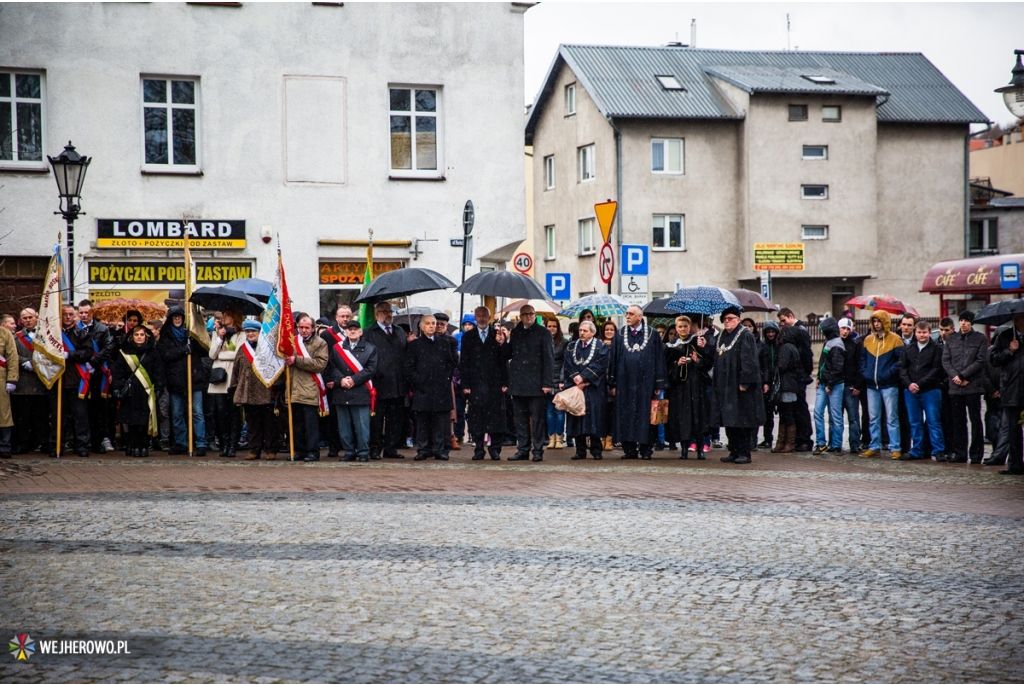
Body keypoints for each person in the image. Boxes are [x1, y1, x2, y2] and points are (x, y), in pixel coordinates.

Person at [608, 305, 667, 460]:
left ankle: (646, 449)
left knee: (646, 415)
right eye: (626, 314)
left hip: (646, 382)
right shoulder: (620, 335)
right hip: (624, 382)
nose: (627, 316)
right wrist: (612, 383)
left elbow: (659, 359)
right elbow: (613, 360)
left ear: (640, 316)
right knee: (625, 415)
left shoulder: (652, 334)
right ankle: (629, 449)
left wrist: (659, 383)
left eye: (631, 314)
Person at [502, 305, 555, 462]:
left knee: (537, 419)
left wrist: (547, 382)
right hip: (518, 383)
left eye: (531, 314)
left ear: (535, 315)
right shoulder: (516, 332)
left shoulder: (543, 333)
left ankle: (537, 450)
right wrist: (503, 342)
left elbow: (549, 359)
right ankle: (523, 449)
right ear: (521, 316)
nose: (528, 317)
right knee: (520, 419)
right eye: (525, 314)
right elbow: (508, 354)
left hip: (537, 383)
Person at [714, 306, 766, 464]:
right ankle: (734, 450)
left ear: (738, 319)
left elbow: (749, 360)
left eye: (730, 319)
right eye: (725, 319)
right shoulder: (722, 335)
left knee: (742, 420)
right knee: (730, 420)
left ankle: (744, 452)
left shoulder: (745, 335)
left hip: (740, 387)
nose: (727, 322)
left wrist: (745, 382)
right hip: (726, 386)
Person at [157, 306, 209, 456]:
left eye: (179, 316)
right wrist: (183, 349)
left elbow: (205, 350)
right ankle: (181, 442)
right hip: (176, 381)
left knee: (197, 412)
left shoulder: (191, 334)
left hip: (194, 378)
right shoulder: (165, 336)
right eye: (174, 317)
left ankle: (200, 443)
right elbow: (165, 355)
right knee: (177, 413)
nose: (177, 319)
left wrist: (193, 340)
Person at [404, 314, 457, 461]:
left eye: (433, 323)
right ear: (421, 326)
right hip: (422, 389)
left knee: (440, 422)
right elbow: (409, 367)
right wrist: (419, 381)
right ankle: (423, 449)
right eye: (428, 323)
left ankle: (439, 449)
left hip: (440, 389)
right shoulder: (415, 345)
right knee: (423, 422)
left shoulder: (443, 343)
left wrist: (445, 380)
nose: (432, 326)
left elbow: (450, 363)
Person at [459, 306, 508, 460]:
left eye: (484, 315)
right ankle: (479, 448)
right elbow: (464, 362)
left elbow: (504, 359)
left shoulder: (497, 334)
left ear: (489, 317)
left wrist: (502, 343)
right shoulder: (469, 336)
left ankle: (495, 449)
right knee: (476, 417)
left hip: (494, 382)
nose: (481, 318)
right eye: (478, 315)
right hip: (475, 382)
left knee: (496, 417)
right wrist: (465, 383)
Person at [326, 320, 378, 462]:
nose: (352, 331)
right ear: (346, 332)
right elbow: (332, 367)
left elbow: (370, 369)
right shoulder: (337, 348)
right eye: (350, 329)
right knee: (344, 426)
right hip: (342, 392)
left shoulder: (370, 348)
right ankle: (348, 451)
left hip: (360, 391)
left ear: (361, 332)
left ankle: (363, 452)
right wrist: (341, 379)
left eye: (355, 329)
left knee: (362, 426)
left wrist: (353, 380)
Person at [361, 301, 407, 459]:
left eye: (390, 312)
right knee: (377, 419)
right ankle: (375, 448)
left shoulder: (399, 331)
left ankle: (391, 448)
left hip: (398, 382)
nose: (388, 314)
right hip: (378, 383)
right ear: (376, 314)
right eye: (385, 311)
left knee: (396, 419)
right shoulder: (368, 333)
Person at [942, 310, 989, 464]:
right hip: (955, 387)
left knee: (975, 420)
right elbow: (946, 360)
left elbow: (980, 361)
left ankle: (976, 454)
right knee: (958, 421)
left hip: (972, 386)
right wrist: (955, 377)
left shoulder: (980, 339)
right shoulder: (951, 339)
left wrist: (964, 376)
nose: (963, 323)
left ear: (971, 322)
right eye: (961, 320)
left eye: (966, 321)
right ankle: (959, 452)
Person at [46, 305, 93, 457]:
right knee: (58, 416)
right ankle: (56, 445)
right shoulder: (53, 334)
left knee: (80, 416)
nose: (67, 317)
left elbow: (87, 352)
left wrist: (69, 355)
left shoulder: (81, 333)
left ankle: (82, 446)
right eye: (64, 314)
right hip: (58, 380)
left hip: (76, 380)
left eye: (70, 314)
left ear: (75, 316)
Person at [664, 315, 713, 460]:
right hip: (680, 387)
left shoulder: (697, 341)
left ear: (689, 326)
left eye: (685, 326)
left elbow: (709, 362)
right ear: (676, 328)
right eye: (680, 327)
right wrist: (677, 364)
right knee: (683, 417)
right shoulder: (671, 345)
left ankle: (700, 448)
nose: (683, 329)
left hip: (696, 385)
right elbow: (665, 366)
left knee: (698, 416)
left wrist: (699, 359)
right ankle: (684, 448)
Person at [110, 325, 163, 458]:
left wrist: (159, 388)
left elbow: (159, 372)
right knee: (132, 421)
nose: (139, 337)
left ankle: (144, 446)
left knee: (145, 421)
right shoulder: (125, 352)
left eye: (142, 334)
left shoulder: (153, 352)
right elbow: (118, 372)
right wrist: (117, 387)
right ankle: (134, 445)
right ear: (131, 337)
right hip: (131, 391)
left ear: (146, 336)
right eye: (136, 335)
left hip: (146, 391)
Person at [231, 320, 280, 460]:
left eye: (253, 331)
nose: (250, 334)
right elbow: (236, 369)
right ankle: (254, 449)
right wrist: (234, 386)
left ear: (259, 332)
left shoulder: (268, 348)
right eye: (248, 331)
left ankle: (271, 449)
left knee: (269, 424)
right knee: (253, 423)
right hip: (248, 391)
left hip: (266, 390)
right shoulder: (242, 348)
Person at [859, 312, 905, 458]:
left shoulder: (896, 339)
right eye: (874, 321)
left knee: (892, 418)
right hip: (872, 385)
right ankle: (875, 445)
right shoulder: (868, 340)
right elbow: (863, 360)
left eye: (879, 321)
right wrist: (866, 373)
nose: (877, 324)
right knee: (873, 418)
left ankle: (895, 447)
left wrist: (888, 373)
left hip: (889, 384)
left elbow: (900, 361)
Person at [563, 320, 610, 460]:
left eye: (585, 331)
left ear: (593, 332)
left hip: (594, 388)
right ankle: (580, 450)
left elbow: (601, 365)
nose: (581, 333)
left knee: (594, 418)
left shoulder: (600, 346)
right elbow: (568, 364)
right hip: (576, 387)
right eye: (580, 330)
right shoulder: (571, 346)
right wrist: (575, 378)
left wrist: (585, 379)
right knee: (577, 417)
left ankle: (596, 450)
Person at [899, 320, 946, 461]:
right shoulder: (908, 349)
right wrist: (909, 384)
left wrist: (919, 383)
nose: (921, 335)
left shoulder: (937, 349)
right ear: (915, 333)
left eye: (924, 332)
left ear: (930, 333)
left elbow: (936, 369)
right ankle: (917, 450)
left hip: (930, 390)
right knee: (915, 422)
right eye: (919, 332)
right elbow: (902, 369)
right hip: (911, 391)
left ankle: (938, 451)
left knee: (933, 421)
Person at [286, 314, 329, 462]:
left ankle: (312, 451)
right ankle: (299, 451)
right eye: (301, 327)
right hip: (293, 388)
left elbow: (319, 364)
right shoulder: (292, 342)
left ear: (313, 328)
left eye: (307, 328)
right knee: (297, 424)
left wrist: (296, 360)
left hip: (309, 388)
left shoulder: (320, 343)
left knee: (310, 425)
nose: (304, 330)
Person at [77, 299, 115, 454]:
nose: (84, 315)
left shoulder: (102, 329)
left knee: (97, 409)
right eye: (81, 313)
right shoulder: (74, 329)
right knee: (81, 409)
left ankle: (97, 441)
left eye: (87, 312)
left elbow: (108, 348)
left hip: (97, 372)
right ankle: (82, 441)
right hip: (79, 373)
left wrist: (93, 362)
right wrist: (83, 363)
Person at [988, 314, 1024, 475]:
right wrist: (1009, 350)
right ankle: (1015, 464)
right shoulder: (1004, 336)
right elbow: (994, 359)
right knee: (1013, 428)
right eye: (1019, 318)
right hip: (1012, 388)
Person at [11, 308, 49, 454]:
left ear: (36, 318)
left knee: (42, 417)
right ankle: (24, 443)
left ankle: (43, 442)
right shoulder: (16, 337)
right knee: (23, 417)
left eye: (30, 317)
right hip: (24, 383)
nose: (28, 320)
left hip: (41, 382)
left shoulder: (45, 336)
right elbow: (12, 355)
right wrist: (25, 362)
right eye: (25, 318)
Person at [208, 308, 244, 457]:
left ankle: (233, 445)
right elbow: (212, 354)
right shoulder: (217, 333)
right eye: (222, 315)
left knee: (234, 414)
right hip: (219, 378)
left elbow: (238, 355)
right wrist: (220, 340)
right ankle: (224, 444)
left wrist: (221, 355)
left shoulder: (241, 334)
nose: (224, 318)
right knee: (221, 414)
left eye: (227, 315)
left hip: (233, 378)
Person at [777, 308, 814, 452]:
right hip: (796, 376)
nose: (782, 324)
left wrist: (804, 373)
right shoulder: (794, 331)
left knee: (800, 409)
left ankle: (804, 439)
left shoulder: (800, 331)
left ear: (790, 316)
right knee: (794, 409)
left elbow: (806, 354)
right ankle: (798, 439)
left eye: (783, 320)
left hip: (798, 376)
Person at [772, 325, 808, 453]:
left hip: (787, 384)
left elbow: (782, 366)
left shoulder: (786, 347)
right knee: (785, 413)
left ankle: (787, 443)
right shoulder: (792, 347)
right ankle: (782, 442)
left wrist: (774, 369)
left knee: (787, 413)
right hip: (790, 384)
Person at [812, 317, 846, 455]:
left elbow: (837, 368)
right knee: (822, 413)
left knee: (833, 415)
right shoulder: (831, 342)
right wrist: (820, 378)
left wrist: (829, 384)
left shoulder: (836, 345)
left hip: (833, 385)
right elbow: (823, 363)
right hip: (827, 383)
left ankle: (834, 444)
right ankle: (823, 443)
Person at [837, 318, 864, 454]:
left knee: (853, 417)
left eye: (848, 329)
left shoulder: (855, 345)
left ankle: (854, 443)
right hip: (838, 385)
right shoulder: (835, 344)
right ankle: (836, 443)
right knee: (837, 417)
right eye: (843, 328)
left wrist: (857, 385)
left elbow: (860, 366)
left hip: (850, 385)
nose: (845, 331)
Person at [545, 316, 567, 449]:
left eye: (554, 326)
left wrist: (562, 380)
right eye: (549, 326)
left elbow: (565, 362)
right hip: (547, 381)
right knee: (549, 410)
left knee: (559, 410)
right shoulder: (543, 341)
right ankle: (551, 438)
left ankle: (559, 437)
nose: (552, 329)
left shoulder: (564, 342)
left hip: (559, 380)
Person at [759, 321, 781, 450]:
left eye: (773, 332)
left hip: (777, 380)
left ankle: (770, 438)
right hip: (767, 381)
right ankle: (767, 438)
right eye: (768, 332)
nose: (771, 334)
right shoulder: (763, 346)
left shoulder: (779, 345)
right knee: (767, 413)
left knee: (773, 412)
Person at [0, 320, 19, 458]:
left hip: (0, 379)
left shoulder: (5, 334)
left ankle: (4, 446)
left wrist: (12, 379)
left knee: (3, 413)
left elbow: (12, 357)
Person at [600, 320, 618, 451]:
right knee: (601, 413)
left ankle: (610, 438)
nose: (609, 332)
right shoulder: (598, 345)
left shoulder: (619, 345)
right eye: (607, 329)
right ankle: (602, 438)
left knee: (612, 413)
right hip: (600, 383)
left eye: (612, 330)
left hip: (613, 383)